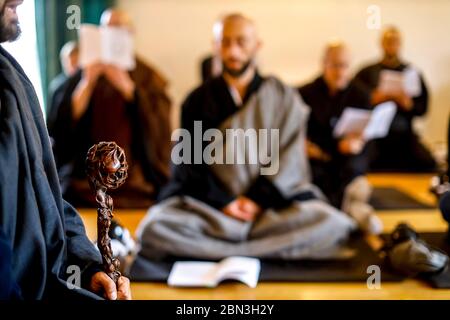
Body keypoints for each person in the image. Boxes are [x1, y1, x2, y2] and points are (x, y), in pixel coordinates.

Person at [136, 14, 356, 261]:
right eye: (225, 42)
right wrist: (226, 201)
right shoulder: (196, 100)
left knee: (331, 222)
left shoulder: (282, 96)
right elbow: (187, 165)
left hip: (269, 209)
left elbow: (291, 159)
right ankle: (270, 249)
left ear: (257, 45)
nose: (233, 51)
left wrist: (256, 200)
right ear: (215, 46)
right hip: (212, 210)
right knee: (154, 227)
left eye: (241, 42)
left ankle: (218, 250)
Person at [0, 0, 130, 300]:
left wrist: (86, 265)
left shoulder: (10, 72)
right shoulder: (74, 80)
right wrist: (85, 83)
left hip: (136, 189)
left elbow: (45, 193)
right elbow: (61, 133)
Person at [47, 8, 172, 209]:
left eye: (118, 29)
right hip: (84, 181)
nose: (111, 35)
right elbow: (59, 126)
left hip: (135, 182)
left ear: (130, 34)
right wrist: (88, 82)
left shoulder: (148, 76)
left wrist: (128, 88)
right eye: (107, 29)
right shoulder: (83, 72)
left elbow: (160, 129)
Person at [299, 42, 382, 234]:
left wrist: (358, 142)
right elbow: (306, 137)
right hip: (318, 159)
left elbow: (368, 133)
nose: (340, 71)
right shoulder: (305, 94)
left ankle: (345, 211)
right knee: (311, 173)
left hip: (348, 158)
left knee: (356, 165)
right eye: (335, 65)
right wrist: (335, 147)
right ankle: (351, 211)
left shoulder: (361, 93)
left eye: (345, 66)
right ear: (324, 65)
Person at [354, 26, 436, 172]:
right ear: (381, 43)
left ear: (400, 44)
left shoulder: (412, 72)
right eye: (388, 41)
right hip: (375, 136)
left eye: (395, 41)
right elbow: (352, 103)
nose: (391, 45)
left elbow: (422, 108)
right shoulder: (366, 72)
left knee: (429, 163)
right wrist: (372, 99)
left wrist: (409, 104)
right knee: (358, 164)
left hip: (404, 135)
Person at [47, 41, 79, 121]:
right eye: (69, 61)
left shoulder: (88, 84)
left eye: (75, 61)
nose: (72, 65)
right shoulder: (56, 87)